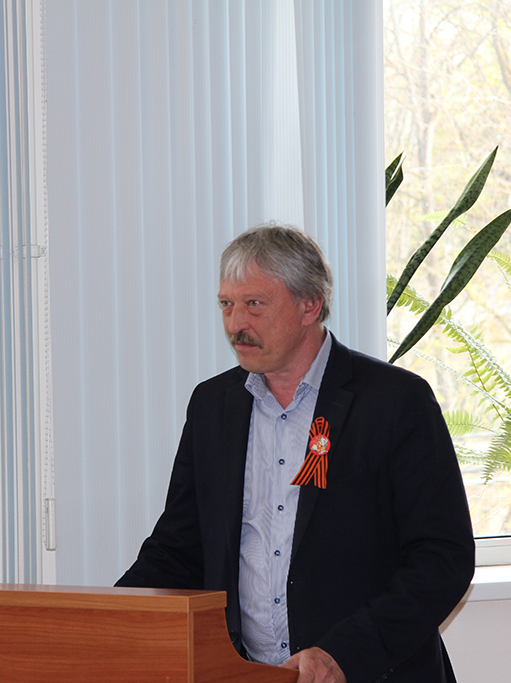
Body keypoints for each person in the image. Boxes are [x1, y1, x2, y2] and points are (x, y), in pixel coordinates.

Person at [116, 224, 475, 683]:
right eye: (226, 305)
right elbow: (179, 548)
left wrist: (342, 654)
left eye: (254, 304)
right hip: (247, 672)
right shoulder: (213, 406)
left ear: (310, 305)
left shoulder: (394, 402)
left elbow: (442, 558)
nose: (235, 324)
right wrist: (103, 618)